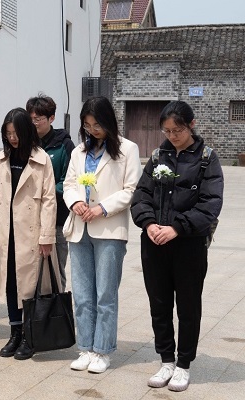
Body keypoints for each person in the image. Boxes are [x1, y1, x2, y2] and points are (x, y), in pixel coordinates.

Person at [131, 101, 223, 392]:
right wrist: (149, 224)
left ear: (191, 125)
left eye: (178, 130)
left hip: (188, 244)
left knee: (188, 305)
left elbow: (210, 205)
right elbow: (141, 196)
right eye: (167, 131)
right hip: (155, 242)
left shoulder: (207, 159)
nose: (172, 136)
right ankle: (166, 360)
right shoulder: (158, 156)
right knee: (158, 304)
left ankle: (183, 364)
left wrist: (176, 228)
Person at [63, 96, 141, 373]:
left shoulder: (128, 149)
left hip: (109, 229)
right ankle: (85, 347)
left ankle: (103, 351)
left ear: (109, 121)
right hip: (80, 228)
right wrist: (76, 202)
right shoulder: (79, 152)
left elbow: (132, 190)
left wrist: (102, 208)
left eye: (97, 125)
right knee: (82, 294)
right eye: (87, 125)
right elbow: (69, 184)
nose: (92, 130)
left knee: (105, 295)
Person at [0, 108, 58, 360]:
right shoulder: (1, 159)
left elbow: (49, 200)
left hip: (31, 234)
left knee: (29, 286)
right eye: (8, 133)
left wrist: (47, 236)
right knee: (10, 284)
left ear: (27, 131)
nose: (12, 138)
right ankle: (15, 333)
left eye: (16, 133)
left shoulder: (41, 159)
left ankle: (29, 335)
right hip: (6, 232)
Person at [26, 94, 75, 290]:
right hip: (29, 219)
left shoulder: (64, 145)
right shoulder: (26, 144)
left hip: (57, 219)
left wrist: (44, 194)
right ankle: (33, 308)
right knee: (31, 270)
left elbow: (68, 181)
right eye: (31, 118)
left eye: (38, 119)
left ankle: (57, 307)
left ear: (51, 118)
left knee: (55, 269)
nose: (34, 123)